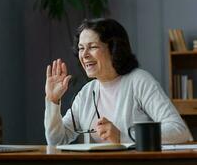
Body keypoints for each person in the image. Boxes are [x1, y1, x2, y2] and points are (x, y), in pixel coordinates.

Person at [44, 18, 192, 146]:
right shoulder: (87, 92)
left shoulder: (139, 81)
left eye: (93, 47)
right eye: (81, 48)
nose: (84, 55)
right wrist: (53, 100)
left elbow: (179, 131)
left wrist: (122, 137)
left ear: (114, 49)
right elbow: (56, 141)